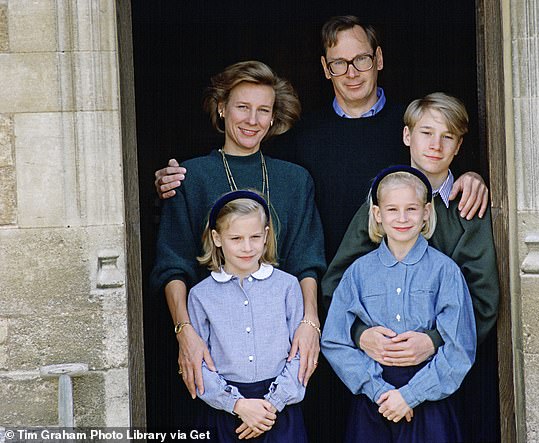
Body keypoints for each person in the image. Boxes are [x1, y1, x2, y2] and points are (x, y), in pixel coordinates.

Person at [153, 16, 491, 441]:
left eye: (361, 60)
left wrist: (470, 176)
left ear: (379, 59)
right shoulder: (298, 142)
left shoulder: (404, 132)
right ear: (324, 67)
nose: (351, 72)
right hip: (298, 334)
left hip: (329, 335)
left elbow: (437, 162)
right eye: (339, 62)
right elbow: (178, 256)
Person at [150, 60, 326, 429]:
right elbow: (173, 264)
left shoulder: (295, 180)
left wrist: (310, 323)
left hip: (280, 360)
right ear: (221, 107)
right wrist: (185, 334)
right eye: (242, 106)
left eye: (264, 110)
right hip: (215, 358)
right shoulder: (191, 176)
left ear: (274, 117)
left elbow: (308, 259)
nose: (252, 119)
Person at [321, 93, 500, 442]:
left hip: (447, 376)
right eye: (426, 133)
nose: (435, 145)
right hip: (376, 374)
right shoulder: (384, 200)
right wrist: (360, 334)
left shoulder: (468, 205)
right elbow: (341, 282)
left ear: (459, 146)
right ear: (407, 137)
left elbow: (483, 300)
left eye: (447, 136)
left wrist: (434, 343)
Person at [321, 165, 477, 442]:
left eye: (412, 209)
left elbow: (459, 347)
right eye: (392, 210)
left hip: (430, 400)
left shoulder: (445, 271)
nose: (402, 218)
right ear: (377, 214)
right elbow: (334, 340)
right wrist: (378, 390)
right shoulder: (358, 273)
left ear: (426, 212)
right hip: (374, 403)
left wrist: (411, 395)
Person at [188, 190, 308, 442]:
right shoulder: (201, 295)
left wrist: (271, 405)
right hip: (225, 411)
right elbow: (197, 362)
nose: (247, 247)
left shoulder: (287, 286)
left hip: (279, 410)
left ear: (266, 236)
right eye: (236, 238)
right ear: (217, 238)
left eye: (255, 237)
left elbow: (299, 354)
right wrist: (238, 405)